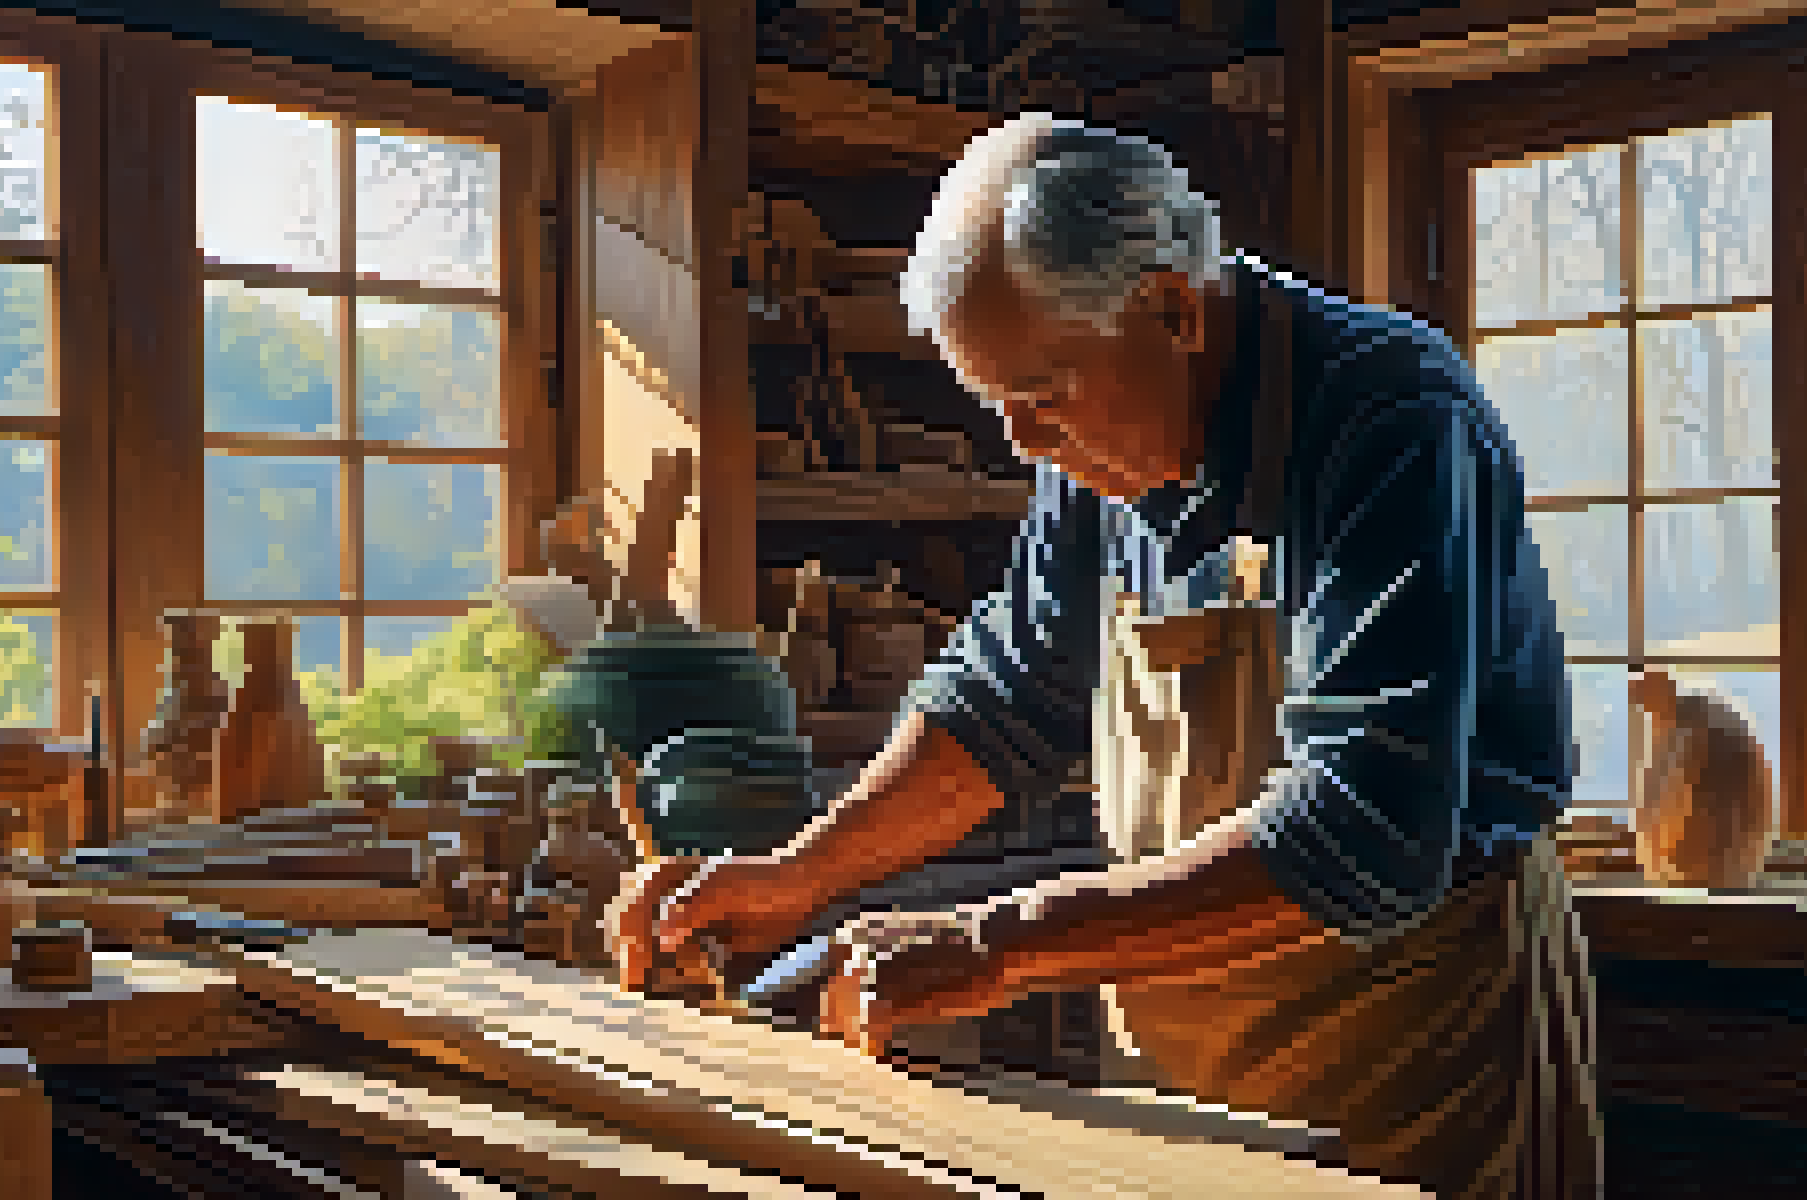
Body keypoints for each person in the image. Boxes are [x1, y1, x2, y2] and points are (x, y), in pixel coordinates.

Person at [610, 112, 1602, 1200]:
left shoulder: (1391, 421)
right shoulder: (1097, 450)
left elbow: (1365, 826)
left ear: (1171, 308)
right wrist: (798, 876)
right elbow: (1005, 700)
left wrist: (999, 944)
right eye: (995, 408)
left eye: (1039, 398)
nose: (1023, 445)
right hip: (1194, 1057)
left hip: (1411, 1048)